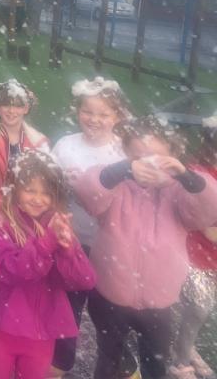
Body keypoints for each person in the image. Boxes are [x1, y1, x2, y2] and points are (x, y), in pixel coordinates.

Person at [74, 116, 217, 379]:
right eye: (138, 157)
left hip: (159, 302)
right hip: (110, 295)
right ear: (127, 155)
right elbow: (88, 192)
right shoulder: (116, 184)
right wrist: (123, 170)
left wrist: (185, 176)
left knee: (155, 362)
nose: (148, 164)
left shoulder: (180, 191)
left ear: (173, 156)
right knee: (109, 358)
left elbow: (209, 208)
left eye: (158, 158)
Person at [0, 149, 97, 379]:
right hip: (1, 330)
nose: (38, 199)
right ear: (15, 189)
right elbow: (11, 271)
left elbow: (85, 280)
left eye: (46, 193)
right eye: (30, 190)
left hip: (41, 335)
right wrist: (46, 244)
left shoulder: (57, 226)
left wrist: (68, 249)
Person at [49, 76, 129, 376]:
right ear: (77, 110)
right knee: (66, 311)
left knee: (109, 316)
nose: (94, 119)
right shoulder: (65, 146)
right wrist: (62, 185)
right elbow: (47, 190)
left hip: (109, 247)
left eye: (103, 114)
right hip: (70, 243)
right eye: (88, 111)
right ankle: (59, 364)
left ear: (117, 116)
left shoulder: (123, 152)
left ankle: (119, 366)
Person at [0, 79, 48, 274]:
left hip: (29, 220)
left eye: (18, 105)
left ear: (26, 108)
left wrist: (31, 214)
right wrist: (10, 216)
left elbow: (46, 183)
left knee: (23, 271)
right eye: (6, 105)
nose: (12, 111)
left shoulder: (39, 142)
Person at [170, 117, 217, 379]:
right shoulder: (198, 175)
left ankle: (186, 345)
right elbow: (208, 230)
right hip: (194, 255)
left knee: (199, 310)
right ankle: (181, 359)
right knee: (199, 306)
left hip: (212, 257)